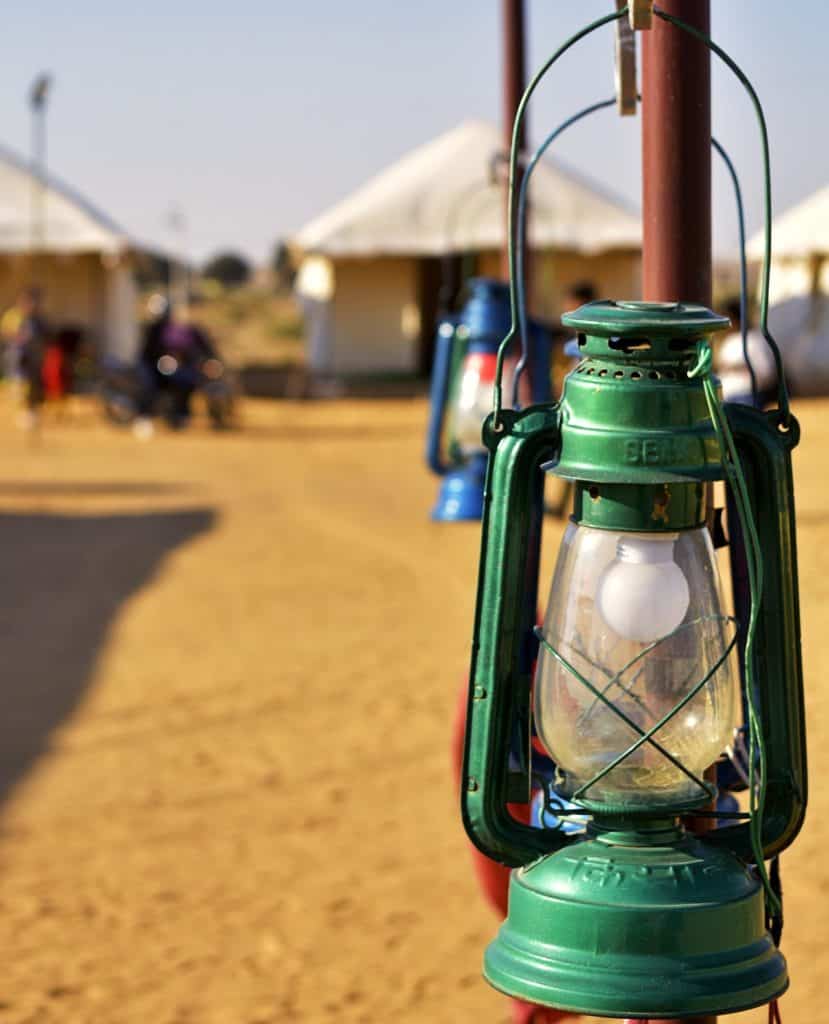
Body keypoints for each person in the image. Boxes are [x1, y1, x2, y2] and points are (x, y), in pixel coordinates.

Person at [716, 297, 777, 406]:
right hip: (727, 395)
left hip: (747, 395)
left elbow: (766, 372)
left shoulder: (753, 340)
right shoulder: (727, 342)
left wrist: (740, 367)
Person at [15, 287, 50, 430]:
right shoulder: (25, 320)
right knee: (26, 386)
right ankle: (30, 412)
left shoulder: (38, 321)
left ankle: (33, 413)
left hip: (36, 359)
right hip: (26, 358)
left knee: (34, 387)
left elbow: (43, 339)